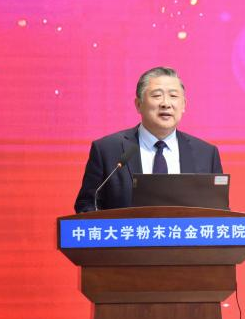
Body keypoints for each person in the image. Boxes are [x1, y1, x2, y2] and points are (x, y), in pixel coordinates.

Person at [72, 67, 223, 213]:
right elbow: (87, 205)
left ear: (183, 105)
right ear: (138, 105)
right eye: (157, 96)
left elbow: (220, 212)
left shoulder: (206, 154)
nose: (166, 104)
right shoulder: (107, 150)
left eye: (173, 96)